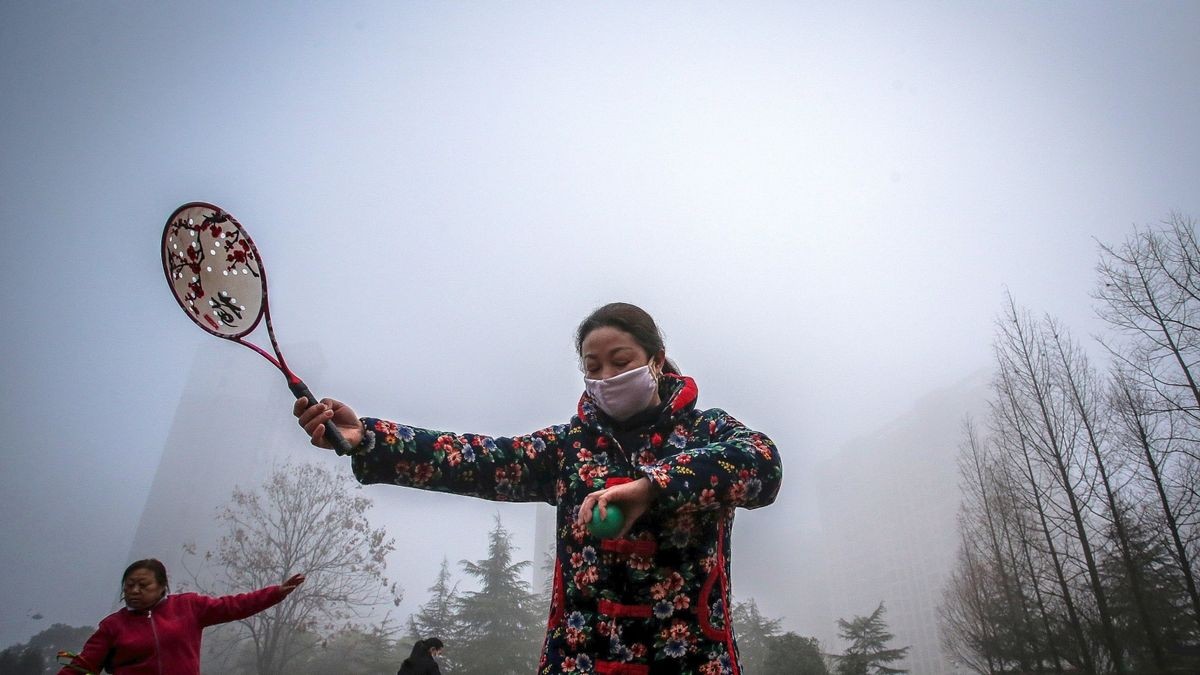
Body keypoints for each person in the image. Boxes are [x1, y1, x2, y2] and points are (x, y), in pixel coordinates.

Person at [294, 302, 783, 674]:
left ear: (655, 360)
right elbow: (474, 458)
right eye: (593, 367)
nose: (607, 376)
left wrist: (650, 488)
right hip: (581, 659)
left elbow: (763, 464)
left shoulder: (708, 432)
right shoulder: (568, 448)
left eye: (620, 360)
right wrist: (370, 439)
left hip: (690, 658)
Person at [58, 558, 304, 675]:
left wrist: (275, 593)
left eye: (143, 585)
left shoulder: (188, 607)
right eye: (129, 585)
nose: (134, 591)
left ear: (162, 586)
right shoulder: (113, 625)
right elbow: (82, 667)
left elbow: (234, 606)